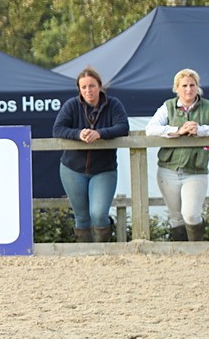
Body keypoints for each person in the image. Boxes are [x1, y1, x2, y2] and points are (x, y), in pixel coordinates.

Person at [52, 67, 129, 242]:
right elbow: (58, 129)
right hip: (72, 168)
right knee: (82, 217)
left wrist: (99, 133)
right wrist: (78, 134)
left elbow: (123, 127)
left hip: (103, 169)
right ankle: (85, 256)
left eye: (92, 86)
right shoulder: (72, 105)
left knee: (98, 214)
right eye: (84, 87)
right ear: (79, 89)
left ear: (99, 86)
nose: (88, 91)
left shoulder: (114, 104)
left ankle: (103, 251)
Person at [145, 68, 209, 241]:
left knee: (191, 215)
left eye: (192, 85)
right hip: (168, 169)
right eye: (184, 85)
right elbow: (150, 129)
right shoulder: (168, 106)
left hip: (196, 170)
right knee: (176, 217)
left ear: (198, 87)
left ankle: (196, 250)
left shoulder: (207, 107)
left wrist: (201, 130)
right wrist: (177, 130)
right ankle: (179, 255)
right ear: (177, 88)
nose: (188, 89)